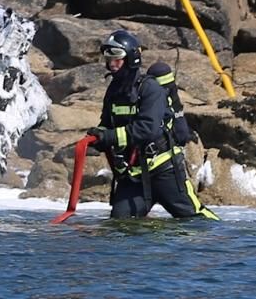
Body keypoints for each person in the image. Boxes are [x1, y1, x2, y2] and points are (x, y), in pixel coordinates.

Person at [87, 30, 219, 220]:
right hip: (133, 177)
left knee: (195, 220)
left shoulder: (150, 89)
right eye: (108, 58)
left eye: (117, 58)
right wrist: (97, 137)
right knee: (120, 224)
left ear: (131, 58)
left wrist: (110, 137)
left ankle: (225, 239)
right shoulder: (113, 91)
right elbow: (107, 123)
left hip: (165, 172)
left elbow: (147, 129)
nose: (112, 64)